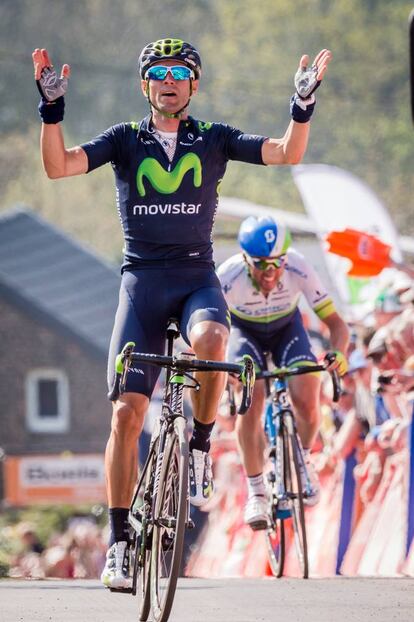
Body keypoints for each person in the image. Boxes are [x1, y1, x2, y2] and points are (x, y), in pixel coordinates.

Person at [32, 39, 332, 587]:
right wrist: (52, 112)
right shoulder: (125, 140)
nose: (168, 80)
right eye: (158, 72)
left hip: (196, 278)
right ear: (145, 84)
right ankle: (121, 541)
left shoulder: (213, 139)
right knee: (126, 415)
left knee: (214, 340)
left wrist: (301, 104)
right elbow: (58, 168)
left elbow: (286, 153)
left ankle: (197, 445)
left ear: (193, 85)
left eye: (179, 73)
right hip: (141, 284)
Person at [217, 215, 349, 530]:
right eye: (262, 265)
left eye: (277, 263)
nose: (271, 272)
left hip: (286, 329)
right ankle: (257, 492)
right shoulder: (228, 276)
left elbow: (336, 324)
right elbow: (213, 335)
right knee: (252, 397)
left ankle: (302, 461)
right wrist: (226, 375)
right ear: (246, 259)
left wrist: (340, 353)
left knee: (307, 391)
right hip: (243, 333)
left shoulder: (299, 266)